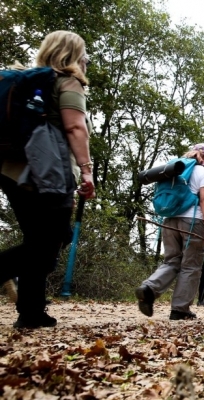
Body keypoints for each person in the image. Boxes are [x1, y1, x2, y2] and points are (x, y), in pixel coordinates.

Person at [0, 31, 95, 328]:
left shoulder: (25, 80)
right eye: (84, 54)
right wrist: (87, 170)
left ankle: (31, 312)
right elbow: (75, 128)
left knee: (37, 240)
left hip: (10, 171)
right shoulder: (67, 81)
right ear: (73, 54)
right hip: (47, 174)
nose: (85, 60)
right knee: (52, 240)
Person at [135, 144, 204, 320]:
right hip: (193, 221)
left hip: (169, 219)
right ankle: (180, 309)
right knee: (191, 265)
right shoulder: (203, 172)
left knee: (172, 260)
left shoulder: (174, 168)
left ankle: (149, 288)